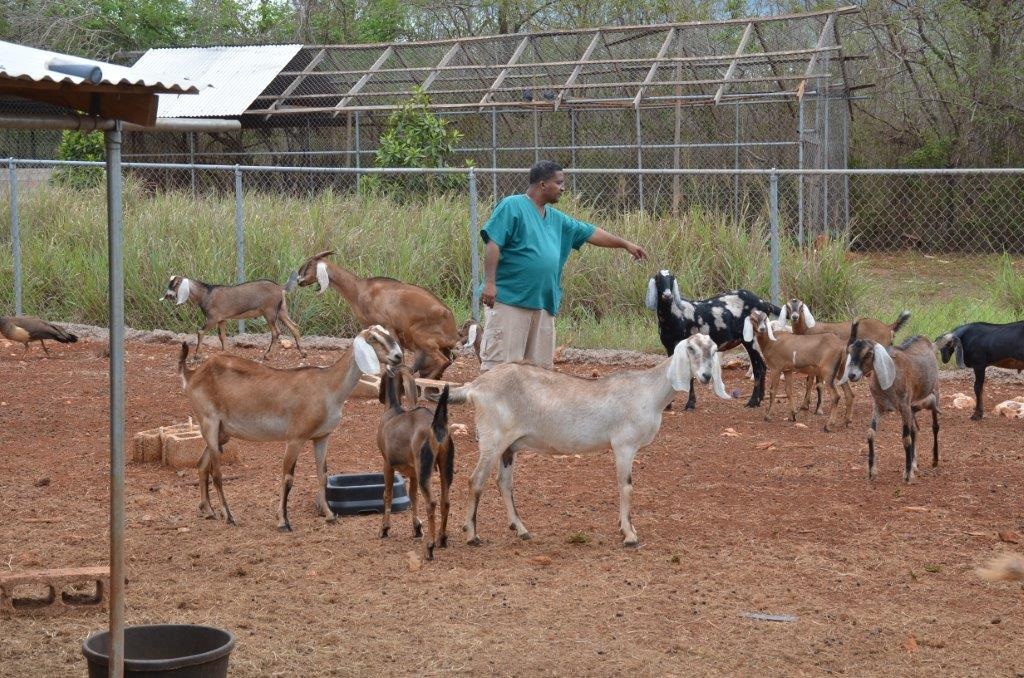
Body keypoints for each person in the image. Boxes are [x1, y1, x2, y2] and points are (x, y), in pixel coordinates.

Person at [478, 160, 647, 371]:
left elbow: (590, 232)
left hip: (542, 305)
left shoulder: (557, 219)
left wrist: (625, 244)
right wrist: (490, 283)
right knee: (500, 371)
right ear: (542, 184)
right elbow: (494, 243)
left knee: (537, 375)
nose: (563, 188)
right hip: (509, 301)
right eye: (559, 183)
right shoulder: (513, 206)